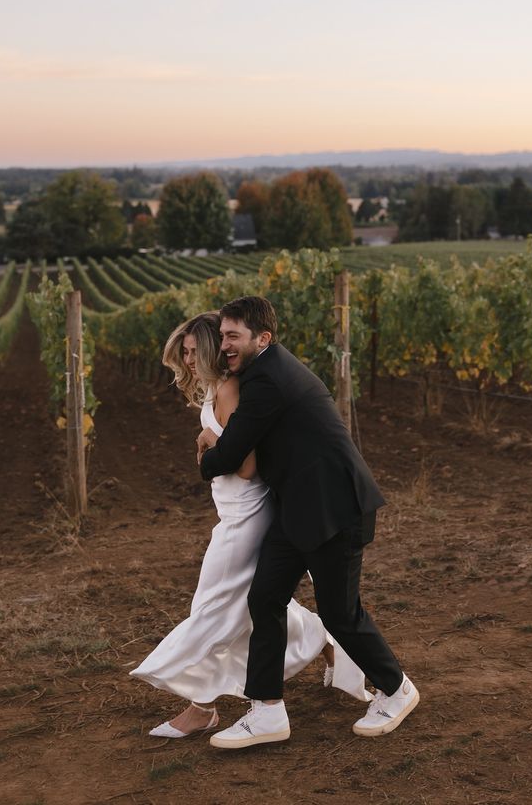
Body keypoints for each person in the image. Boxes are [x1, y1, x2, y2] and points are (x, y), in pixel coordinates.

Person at [130, 311, 368, 739]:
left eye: (193, 351)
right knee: (248, 603)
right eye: (182, 353)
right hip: (233, 513)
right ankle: (321, 639)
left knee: (213, 605)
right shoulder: (215, 388)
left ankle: (200, 707)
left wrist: (207, 446)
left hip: (246, 516)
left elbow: (245, 467)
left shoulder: (229, 389)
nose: (187, 360)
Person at [197, 296, 418, 749]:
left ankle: (397, 690)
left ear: (263, 338)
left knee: (339, 611)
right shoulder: (263, 372)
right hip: (298, 508)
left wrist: (204, 451)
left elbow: (232, 453)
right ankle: (267, 712)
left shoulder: (268, 381)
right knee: (265, 598)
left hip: (335, 509)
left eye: (233, 336)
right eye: (222, 336)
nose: (225, 346)